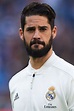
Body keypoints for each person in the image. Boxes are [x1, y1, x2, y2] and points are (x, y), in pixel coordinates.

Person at [9, 2, 74, 111]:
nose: (36, 36)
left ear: (54, 32)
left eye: (43, 29)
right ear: (21, 34)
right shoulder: (15, 82)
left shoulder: (70, 77)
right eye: (30, 30)